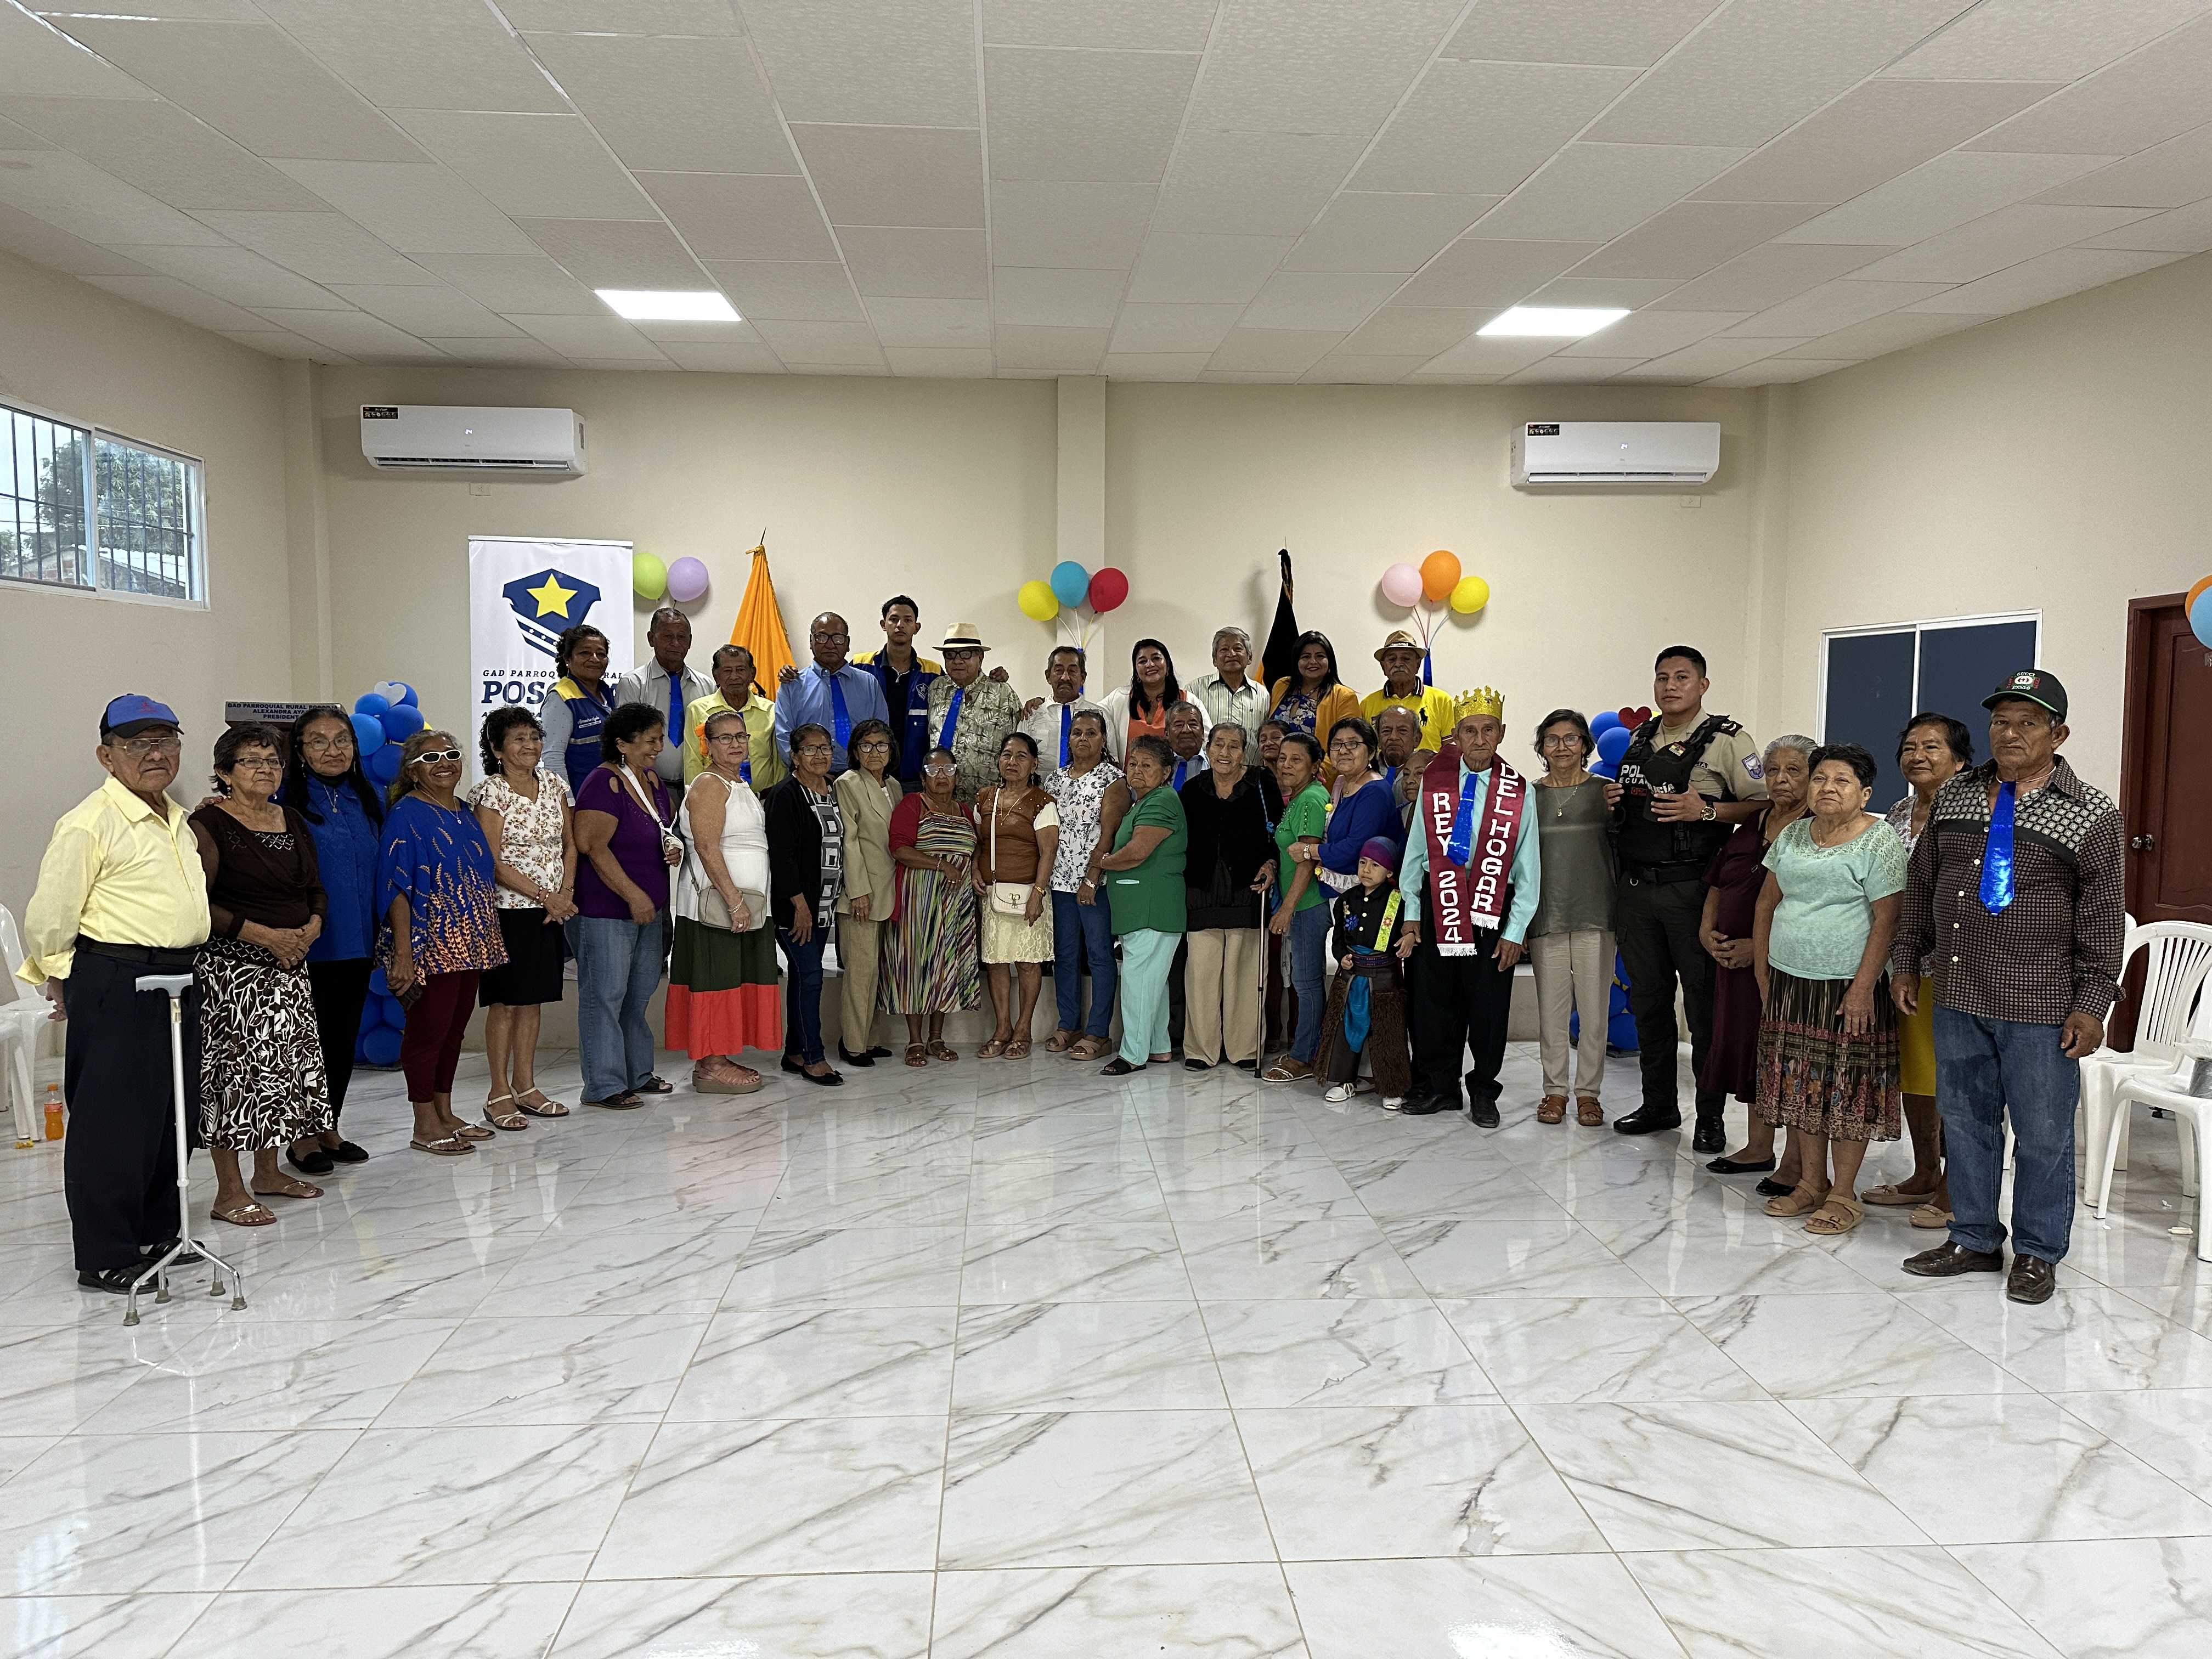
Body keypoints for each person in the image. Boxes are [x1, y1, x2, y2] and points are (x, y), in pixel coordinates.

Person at [1894, 671, 2124, 1305]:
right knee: (1966, 1122)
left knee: (2043, 1135)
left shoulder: (2092, 814)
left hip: (2039, 1003)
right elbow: (1923, 884)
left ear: (2059, 734)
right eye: (2001, 721)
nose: (2011, 733)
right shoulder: (1957, 795)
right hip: (1958, 991)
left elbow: (2103, 918)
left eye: (2028, 723)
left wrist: (2092, 1004)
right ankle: (1972, 1238)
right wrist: (1907, 959)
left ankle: (2037, 1253)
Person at [19, 696, 212, 1291]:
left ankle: (156, 1232)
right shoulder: (89, 823)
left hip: (179, 978)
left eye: (166, 741)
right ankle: (105, 1253)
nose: (156, 755)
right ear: (107, 756)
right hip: (117, 977)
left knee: (170, 1114)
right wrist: (58, 974)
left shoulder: (175, 817)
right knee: (113, 1121)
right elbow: (50, 914)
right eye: (137, 745)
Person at [1609, 645, 1767, 1150]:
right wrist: (1614, 800)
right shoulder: (1641, 738)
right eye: (1662, 677)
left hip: (1693, 890)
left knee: (1703, 1010)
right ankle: (1658, 1104)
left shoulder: (1728, 740)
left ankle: (1710, 1117)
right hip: (1637, 890)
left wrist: (1707, 811)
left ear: (1703, 685)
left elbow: (1764, 806)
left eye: (1682, 677)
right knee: (1649, 1004)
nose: (1670, 686)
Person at [1752, 743, 1908, 1238]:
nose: (1828, 788)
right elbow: (1766, 903)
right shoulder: (1794, 833)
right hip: (1790, 982)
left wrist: (1863, 989)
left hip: (1849, 987)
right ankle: (1811, 1183)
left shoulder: (1879, 839)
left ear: (1865, 793)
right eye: (1820, 778)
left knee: (1847, 1088)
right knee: (1801, 1085)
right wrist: (1763, 971)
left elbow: (1889, 919)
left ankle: (1844, 1193)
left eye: (1842, 781)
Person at [185, 725, 332, 1226]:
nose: (266, 769)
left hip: (290, 966)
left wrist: (313, 925)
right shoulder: (207, 823)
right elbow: (198, 904)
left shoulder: (291, 817)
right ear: (224, 773)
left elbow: (314, 886)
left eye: (273, 761)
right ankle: (229, 1192)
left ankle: (268, 1173)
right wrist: (266, 937)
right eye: (252, 760)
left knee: (280, 1076)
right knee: (234, 1080)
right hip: (233, 972)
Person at [1396, 689, 1541, 1125]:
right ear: (1456, 736)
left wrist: (1515, 930)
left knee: (1488, 1007)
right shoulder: (1435, 783)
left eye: (1488, 730)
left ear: (1502, 733)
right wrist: (1412, 913)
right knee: (1433, 1002)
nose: (1479, 739)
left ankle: (1483, 1090)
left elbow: (1528, 864)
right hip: (1439, 903)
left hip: (1491, 909)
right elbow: (1416, 852)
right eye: (1470, 731)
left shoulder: (1519, 791)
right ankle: (1440, 1087)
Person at [1865, 713, 1976, 1227]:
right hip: (1904, 961)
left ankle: (1958, 1185)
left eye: (1932, 747)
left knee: (1955, 1075)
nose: (1918, 756)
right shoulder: (1899, 811)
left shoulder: (1975, 810)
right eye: (1910, 747)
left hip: (1956, 963)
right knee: (1916, 1071)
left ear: (1960, 759)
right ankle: (1925, 1171)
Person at [380, 729, 509, 1154]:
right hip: (429, 943)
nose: (444, 764)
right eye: (431, 758)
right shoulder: (406, 815)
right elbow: (397, 887)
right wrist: (404, 954)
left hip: (471, 941)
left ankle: (445, 1112)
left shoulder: (464, 811)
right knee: (427, 1033)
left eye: (451, 755)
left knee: (453, 1032)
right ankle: (423, 1124)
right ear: (413, 771)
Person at [1701, 736, 1814, 1183]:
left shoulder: (1815, 826)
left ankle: (1796, 1162)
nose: (1781, 779)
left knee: (1783, 1053)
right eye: (1773, 771)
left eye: (1793, 771)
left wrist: (1759, 948)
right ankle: (1758, 1146)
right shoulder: (1755, 821)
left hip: (1781, 965)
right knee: (1748, 1049)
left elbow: (1809, 903)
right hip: (1732, 964)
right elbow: (1719, 880)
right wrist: (1707, 930)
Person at [279, 704, 381, 1176]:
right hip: (307, 943)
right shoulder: (283, 801)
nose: (332, 750)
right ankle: (299, 1138)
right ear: (300, 752)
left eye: (342, 740)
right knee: (305, 1044)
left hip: (358, 941)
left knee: (340, 1041)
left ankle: (328, 1127)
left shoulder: (368, 797)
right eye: (318, 741)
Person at [570, 703, 680, 1110]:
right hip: (607, 910)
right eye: (650, 740)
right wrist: (633, 895)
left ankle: (638, 1074)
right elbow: (591, 845)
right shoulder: (603, 783)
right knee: (605, 995)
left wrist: (672, 849)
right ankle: (603, 1085)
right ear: (622, 744)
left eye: (660, 738)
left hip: (649, 908)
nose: (658, 747)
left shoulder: (651, 779)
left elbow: (659, 829)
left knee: (638, 995)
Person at [471, 708, 577, 1127]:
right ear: (497, 749)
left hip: (550, 912)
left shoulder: (554, 784)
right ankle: (498, 1093)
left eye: (534, 737)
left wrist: (564, 895)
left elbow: (570, 845)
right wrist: (546, 896)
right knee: (506, 1002)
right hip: (508, 912)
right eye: (518, 739)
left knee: (533, 999)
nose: (530, 745)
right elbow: (492, 861)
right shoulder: (491, 792)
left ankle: (526, 1086)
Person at [668, 709, 776, 1095]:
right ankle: (712, 1064)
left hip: (746, 905)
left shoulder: (739, 783)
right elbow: (707, 848)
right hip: (717, 906)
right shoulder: (709, 785)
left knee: (733, 980)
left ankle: (720, 1056)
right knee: (715, 980)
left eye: (741, 736)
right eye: (725, 738)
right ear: (707, 745)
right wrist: (734, 901)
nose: (735, 744)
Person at [1526, 710, 1617, 1128]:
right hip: (1546, 913)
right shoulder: (1529, 797)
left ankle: (1588, 1095)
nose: (1561, 747)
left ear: (1585, 744)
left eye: (1571, 738)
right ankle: (1555, 1091)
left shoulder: (1606, 793)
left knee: (1595, 1012)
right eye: (1552, 739)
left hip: (1596, 913)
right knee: (1552, 1012)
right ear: (1542, 748)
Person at [1177, 721, 1279, 1071]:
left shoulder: (1262, 784)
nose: (1225, 752)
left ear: (1244, 751)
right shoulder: (1192, 789)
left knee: (1246, 976)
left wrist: (1272, 864)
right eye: (1219, 744)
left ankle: (1245, 1049)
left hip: (1248, 890)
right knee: (1201, 977)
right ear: (1207, 749)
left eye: (1234, 746)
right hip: (1201, 891)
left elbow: (1280, 832)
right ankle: (1201, 1049)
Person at [1098, 734, 1188, 1076]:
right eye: (1133, 764)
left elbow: (1137, 852)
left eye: (1147, 765)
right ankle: (1158, 1047)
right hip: (1144, 908)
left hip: (1152, 908)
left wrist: (1102, 862)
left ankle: (1132, 1054)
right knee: (1153, 983)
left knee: (1138, 982)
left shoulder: (1161, 801)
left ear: (1166, 772)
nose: (1137, 770)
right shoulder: (1145, 801)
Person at [885, 746, 981, 1064]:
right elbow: (899, 848)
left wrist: (973, 869)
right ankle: (914, 1041)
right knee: (917, 965)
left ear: (957, 776)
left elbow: (975, 849)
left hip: (957, 903)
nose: (942, 776)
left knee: (946, 966)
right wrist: (942, 865)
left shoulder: (965, 811)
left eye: (948, 770)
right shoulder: (913, 804)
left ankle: (936, 1039)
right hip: (919, 899)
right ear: (923, 777)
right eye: (934, 770)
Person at [763, 723, 845, 1087]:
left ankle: (794, 1052)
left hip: (825, 904)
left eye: (824, 747)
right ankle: (814, 1058)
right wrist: (800, 905)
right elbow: (781, 856)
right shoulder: (786, 794)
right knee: (811, 976)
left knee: (802, 976)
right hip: (797, 908)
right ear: (794, 757)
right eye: (809, 749)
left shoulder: (833, 789)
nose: (819, 755)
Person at [1041, 709, 1125, 1061]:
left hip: (1095, 883)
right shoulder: (1054, 781)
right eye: (1077, 732)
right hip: (1060, 881)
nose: (1083, 739)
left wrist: (1092, 877)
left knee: (1100, 955)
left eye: (1091, 733)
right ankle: (1069, 1024)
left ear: (1103, 739)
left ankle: (1098, 1032)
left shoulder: (1114, 779)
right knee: (1065, 955)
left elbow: (1109, 834)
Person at [974, 732, 1059, 1059]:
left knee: (1027, 963)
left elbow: (1048, 852)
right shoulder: (985, 798)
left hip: (1029, 895)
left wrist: (1038, 893)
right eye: (1007, 755)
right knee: (996, 963)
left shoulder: (1043, 803)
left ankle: (1023, 1030)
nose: (1013, 762)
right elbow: (978, 843)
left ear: (1034, 764)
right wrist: (975, 869)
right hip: (993, 895)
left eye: (1022, 756)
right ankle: (1002, 1029)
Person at [1316, 838, 1412, 1107]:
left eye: (1375, 865)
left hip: (1384, 978)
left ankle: (1391, 1088)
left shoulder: (1399, 901)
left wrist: (1409, 938)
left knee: (1387, 1032)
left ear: (1390, 871)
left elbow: (1410, 929)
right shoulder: (1346, 900)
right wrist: (1341, 956)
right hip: (1351, 976)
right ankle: (1345, 1081)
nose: (1366, 870)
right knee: (1345, 1028)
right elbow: (1338, 939)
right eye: (1363, 862)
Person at [1261, 731, 1331, 1084]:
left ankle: (1305, 1058)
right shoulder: (1298, 797)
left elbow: (1307, 859)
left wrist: (1287, 908)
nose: (1286, 765)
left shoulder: (1312, 800)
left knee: (1307, 983)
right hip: (1300, 903)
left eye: (1296, 759)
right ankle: (1307, 1051)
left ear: (1315, 766)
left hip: (1307, 904)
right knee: (1305, 981)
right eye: (1283, 758)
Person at [832, 718, 901, 1067]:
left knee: (876, 972)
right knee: (859, 973)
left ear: (892, 751)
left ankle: (870, 1040)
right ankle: (853, 1045)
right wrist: (858, 891)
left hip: (890, 891)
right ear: (856, 751)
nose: (875, 752)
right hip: (861, 894)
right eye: (867, 745)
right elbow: (849, 840)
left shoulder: (895, 786)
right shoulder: (847, 783)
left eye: (882, 745)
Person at [617, 606, 713, 812]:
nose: (676, 643)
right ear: (652, 639)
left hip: (699, 789)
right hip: (647, 789)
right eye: (668, 636)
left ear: (690, 641)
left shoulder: (707, 686)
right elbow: (626, 743)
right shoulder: (633, 684)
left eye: (682, 637)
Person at [775, 612, 889, 775]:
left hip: (861, 776)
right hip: (809, 777)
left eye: (838, 638)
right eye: (822, 637)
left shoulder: (868, 683)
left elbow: (881, 733)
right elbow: (784, 736)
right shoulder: (793, 685)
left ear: (848, 643)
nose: (830, 645)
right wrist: (808, 774)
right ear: (811, 641)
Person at [927, 622, 1022, 803]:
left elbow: (1021, 739)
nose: (957, 661)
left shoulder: (1003, 693)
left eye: (966, 654)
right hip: (940, 799)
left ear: (980, 657)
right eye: (950, 654)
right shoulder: (935, 689)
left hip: (987, 801)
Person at [852, 595, 941, 785]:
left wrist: (993, 678)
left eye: (908, 620)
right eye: (894, 619)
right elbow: (831, 681)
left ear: (917, 627)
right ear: (883, 624)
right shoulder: (861, 666)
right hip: (868, 772)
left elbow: (961, 686)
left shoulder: (933, 672)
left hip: (914, 775)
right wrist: (793, 676)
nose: (900, 625)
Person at [1315, 716, 1400, 896]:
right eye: (1337, 744)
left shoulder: (1374, 791)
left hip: (1365, 894)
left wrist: (1308, 851)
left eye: (1353, 744)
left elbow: (1354, 848)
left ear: (1371, 752)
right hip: (1336, 888)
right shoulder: (1340, 783)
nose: (1343, 750)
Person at [683, 645, 783, 793]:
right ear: (716, 676)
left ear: (752, 674)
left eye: (741, 670)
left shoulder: (771, 710)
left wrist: (778, 798)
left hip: (764, 799)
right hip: (716, 799)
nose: (734, 677)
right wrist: (695, 797)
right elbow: (693, 762)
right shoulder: (697, 710)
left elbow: (779, 763)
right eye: (727, 671)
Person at [541, 623, 618, 797]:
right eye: (585, 653)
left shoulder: (607, 693)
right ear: (568, 659)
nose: (595, 659)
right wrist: (568, 802)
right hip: (581, 797)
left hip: (609, 794)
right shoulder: (561, 697)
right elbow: (553, 757)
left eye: (601, 654)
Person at [1019, 645, 1107, 787]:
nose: (1065, 677)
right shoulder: (1031, 715)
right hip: (1038, 794)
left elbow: (1112, 761)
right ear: (1048, 676)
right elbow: (1020, 760)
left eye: (1072, 671)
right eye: (1059, 670)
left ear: (1082, 678)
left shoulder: (1100, 716)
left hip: (1088, 795)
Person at [1359, 630, 1456, 748]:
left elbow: (1450, 749)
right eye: (1392, 659)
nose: (1398, 664)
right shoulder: (1367, 704)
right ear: (1383, 666)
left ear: (1418, 665)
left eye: (1406, 659)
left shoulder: (1442, 701)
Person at [1100, 639, 1188, 763]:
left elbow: (1205, 741)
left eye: (1156, 658)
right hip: (1128, 775)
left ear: (1168, 665)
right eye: (1142, 661)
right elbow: (1091, 717)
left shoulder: (1188, 700)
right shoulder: (1119, 698)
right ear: (1136, 672)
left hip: (1175, 775)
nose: (1150, 665)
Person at [1268, 630, 1360, 746]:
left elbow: (1349, 744)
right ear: (1297, 662)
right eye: (1306, 657)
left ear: (1330, 662)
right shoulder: (1282, 686)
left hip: (1321, 759)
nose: (1313, 662)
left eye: (1320, 656)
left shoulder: (1344, 696)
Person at [1189, 625, 1272, 745]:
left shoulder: (1262, 694)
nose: (1232, 654)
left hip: (1249, 758)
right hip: (1207, 758)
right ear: (1214, 660)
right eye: (1224, 650)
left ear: (1250, 657)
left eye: (1238, 649)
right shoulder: (1195, 690)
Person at [1375, 704, 1424, 830]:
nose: (1393, 737)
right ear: (1378, 740)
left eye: (1402, 731)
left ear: (1417, 739)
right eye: (1386, 731)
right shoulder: (1366, 771)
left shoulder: (1429, 769)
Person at [1163, 701, 1209, 791]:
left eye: (1193, 724)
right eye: (1179, 725)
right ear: (1167, 734)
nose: (1186, 730)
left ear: (1203, 733)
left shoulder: (1216, 765)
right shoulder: (1157, 766)